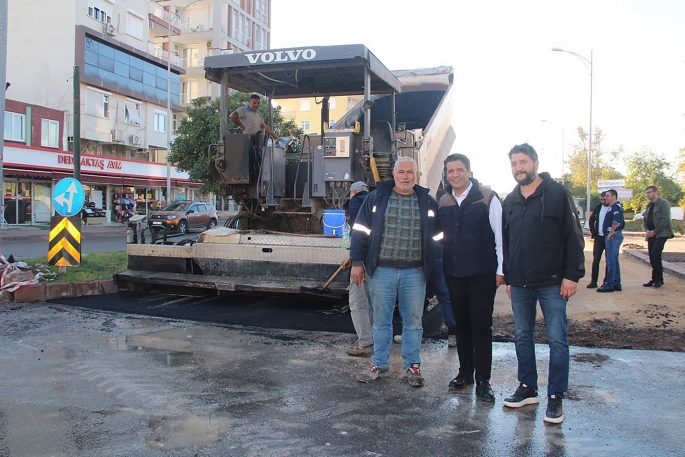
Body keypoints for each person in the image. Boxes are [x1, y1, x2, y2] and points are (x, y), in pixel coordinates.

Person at [502, 143, 585, 424]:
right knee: (523, 337)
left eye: (523, 162)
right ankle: (527, 388)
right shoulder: (511, 199)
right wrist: (509, 277)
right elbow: (508, 241)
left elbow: (573, 236)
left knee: (557, 340)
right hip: (521, 283)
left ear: (535, 163)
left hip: (552, 282)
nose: (518, 168)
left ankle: (555, 396)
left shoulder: (558, 194)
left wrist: (572, 275)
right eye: (514, 164)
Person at [350, 156, 442, 387]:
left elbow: (439, 235)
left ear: (416, 175)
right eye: (401, 172)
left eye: (410, 172)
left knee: (413, 321)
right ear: (393, 174)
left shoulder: (428, 202)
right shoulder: (375, 199)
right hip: (381, 272)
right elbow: (359, 231)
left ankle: (412, 366)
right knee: (381, 321)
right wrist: (357, 262)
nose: (405, 176)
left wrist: (433, 259)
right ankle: (379, 364)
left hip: (415, 273)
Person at [438, 153, 504, 402]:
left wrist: (501, 269)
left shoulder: (487, 197)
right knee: (461, 326)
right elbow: (438, 236)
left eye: (460, 170)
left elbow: (500, 237)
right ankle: (465, 373)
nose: (455, 174)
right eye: (450, 170)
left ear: (469, 172)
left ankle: (483, 381)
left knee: (481, 326)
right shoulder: (443, 201)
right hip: (454, 274)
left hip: (482, 275)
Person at [344, 181, 374, 357]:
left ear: (353, 193)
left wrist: (356, 260)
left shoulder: (355, 202)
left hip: (362, 262)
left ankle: (365, 342)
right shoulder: (375, 201)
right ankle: (374, 338)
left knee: (358, 302)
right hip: (375, 261)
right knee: (372, 303)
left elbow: (358, 232)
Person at [642, 186, 674, 288]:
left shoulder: (663, 203)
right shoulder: (649, 205)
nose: (648, 195)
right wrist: (647, 230)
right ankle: (654, 278)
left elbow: (665, 219)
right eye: (646, 193)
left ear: (656, 192)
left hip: (661, 234)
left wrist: (655, 231)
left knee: (655, 254)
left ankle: (659, 279)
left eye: (649, 192)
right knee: (652, 256)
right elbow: (645, 218)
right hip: (651, 234)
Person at [597, 189, 624, 293]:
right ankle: (616, 283)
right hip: (613, 235)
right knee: (614, 260)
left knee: (611, 261)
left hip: (613, 236)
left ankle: (609, 284)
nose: (606, 197)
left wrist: (612, 231)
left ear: (614, 196)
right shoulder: (613, 207)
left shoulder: (615, 207)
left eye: (608, 196)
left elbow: (616, 220)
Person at [587, 192, 610, 289]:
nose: (603, 201)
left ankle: (607, 281)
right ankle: (593, 281)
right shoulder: (598, 207)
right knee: (596, 260)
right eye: (602, 200)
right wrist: (593, 231)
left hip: (609, 238)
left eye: (605, 199)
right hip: (599, 238)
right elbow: (591, 220)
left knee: (609, 261)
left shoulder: (613, 208)